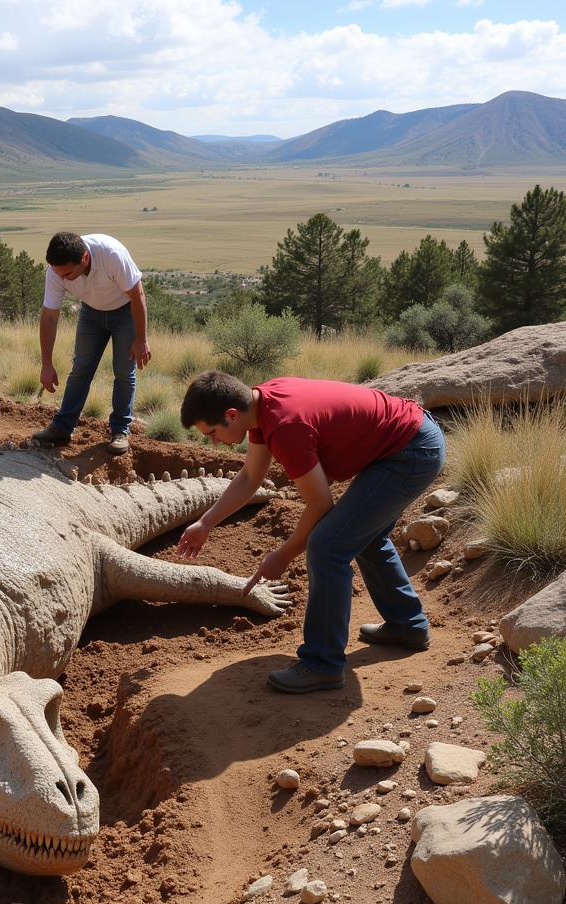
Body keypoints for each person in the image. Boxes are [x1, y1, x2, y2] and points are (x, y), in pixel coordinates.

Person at [177, 372, 445, 694]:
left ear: (231, 414)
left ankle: (323, 664)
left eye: (213, 433)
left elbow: (320, 504)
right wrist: (206, 523)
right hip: (407, 440)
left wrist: (283, 555)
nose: (214, 441)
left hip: (411, 452)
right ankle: (407, 626)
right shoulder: (260, 405)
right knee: (363, 536)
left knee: (327, 546)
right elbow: (250, 476)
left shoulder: (286, 428)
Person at [31, 231, 150, 455]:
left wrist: (141, 339)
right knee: (81, 369)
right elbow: (49, 316)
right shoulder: (56, 271)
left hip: (125, 312)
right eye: (59, 274)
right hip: (91, 313)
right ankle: (62, 428)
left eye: (67, 273)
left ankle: (120, 431)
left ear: (84, 258)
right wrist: (46, 364)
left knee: (124, 372)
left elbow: (138, 295)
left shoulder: (111, 254)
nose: (62, 278)